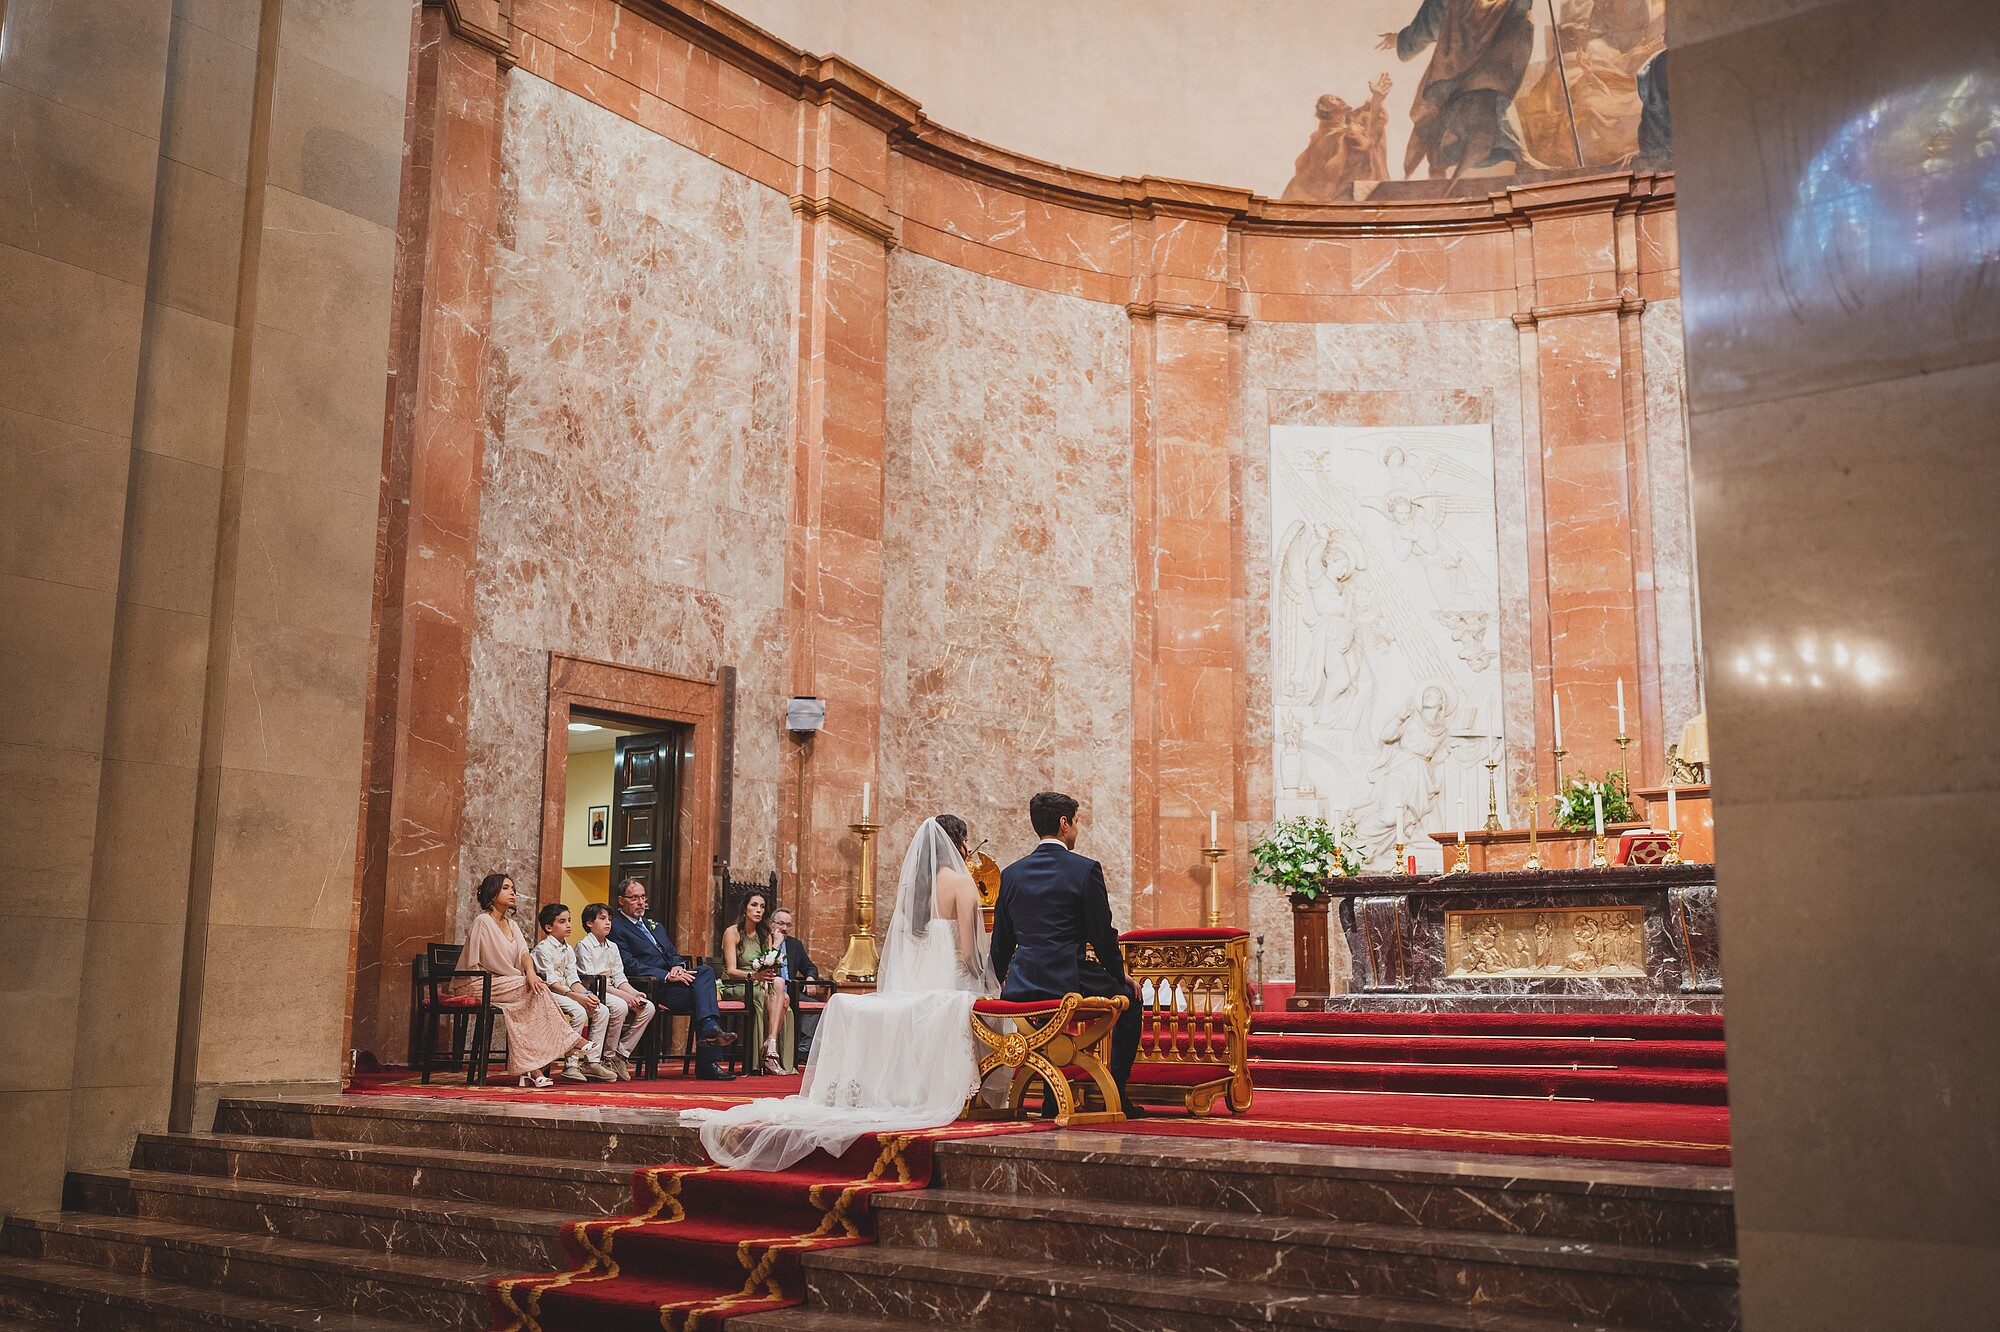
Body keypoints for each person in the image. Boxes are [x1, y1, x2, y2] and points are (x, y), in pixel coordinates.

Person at [687, 815, 997, 1170]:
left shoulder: (915, 887)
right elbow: (972, 954)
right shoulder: (962, 884)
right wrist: (987, 979)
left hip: (916, 982)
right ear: (958, 843)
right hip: (950, 982)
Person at [989, 791, 1145, 1118]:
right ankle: (1116, 1092)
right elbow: (1103, 937)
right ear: (1064, 824)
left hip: (1022, 986)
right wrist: (1121, 976)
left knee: (1049, 1017)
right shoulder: (1084, 870)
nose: (1076, 830)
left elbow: (1001, 943)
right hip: (1068, 980)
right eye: (1076, 823)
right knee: (1131, 1000)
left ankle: (1050, 1098)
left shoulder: (1012, 874)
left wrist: (996, 985)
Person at [454, 873, 590, 1088]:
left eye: (513, 889)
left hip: (505, 984)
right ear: (492, 893)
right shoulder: (483, 921)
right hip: (478, 983)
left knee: (527, 999)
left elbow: (523, 954)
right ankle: (571, 1041)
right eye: (506, 888)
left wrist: (530, 973)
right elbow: (489, 961)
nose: (513, 893)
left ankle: (533, 1071)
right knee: (531, 989)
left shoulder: (512, 924)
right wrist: (523, 978)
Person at [606, 877, 737, 1081]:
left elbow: (672, 953)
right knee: (704, 998)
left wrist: (677, 967)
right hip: (651, 986)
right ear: (621, 900)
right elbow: (629, 964)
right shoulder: (616, 927)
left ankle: (709, 1031)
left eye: (643, 897)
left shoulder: (654, 925)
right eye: (634, 898)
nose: (641, 902)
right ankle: (707, 1063)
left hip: (675, 982)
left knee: (705, 973)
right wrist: (666, 975)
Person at [530, 904, 619, 1082]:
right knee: (578, 1011)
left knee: (601, 1009)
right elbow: (551, 983)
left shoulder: (568, 949)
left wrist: (586, 994)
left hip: (566, 993)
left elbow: (573, 979)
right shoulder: (543, 949)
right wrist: (575, 996)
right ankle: (570, 1064)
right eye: (562, 922)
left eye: (569, 920)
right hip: (546, 993)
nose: (568, 925)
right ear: (549, 927)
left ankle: (591, 1062)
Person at [575, 902, 656, 1081]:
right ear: (590, 923)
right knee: (620, 1006)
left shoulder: (612, 946)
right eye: (602, 919)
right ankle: (604, 1057)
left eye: (609, 919)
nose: (608, 923)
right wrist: (625, 997)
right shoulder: (584, 946)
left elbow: (619, 977)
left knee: (647, 1007)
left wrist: (634, 993)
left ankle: (620, 1053)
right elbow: (592, 981)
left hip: (612, 989)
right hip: (594, 990)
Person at [719, 889, 793, 1074]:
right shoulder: (732, 932)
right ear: (745, 908)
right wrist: (755, 977)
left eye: (762, 907)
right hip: (737, 984)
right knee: (779, 998)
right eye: (754, 905)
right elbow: (732, 971)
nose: (758, 910)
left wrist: (775, 944)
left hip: (758, 983)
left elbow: (769, 965)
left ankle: (771, 1045)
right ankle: (765, 1058)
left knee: (781, 990)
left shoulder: (764, 934)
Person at [768, 906, 823, 1060]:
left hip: (792, 991)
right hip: (770, 990)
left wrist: (811, 978)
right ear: (771, 923)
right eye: (780, 924)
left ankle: (803, 1050)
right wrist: (776, 945)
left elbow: (809, 967)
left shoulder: (794, 944)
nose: (784, 928)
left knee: (813, 1006)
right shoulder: (766, 940)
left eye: (788, 925)